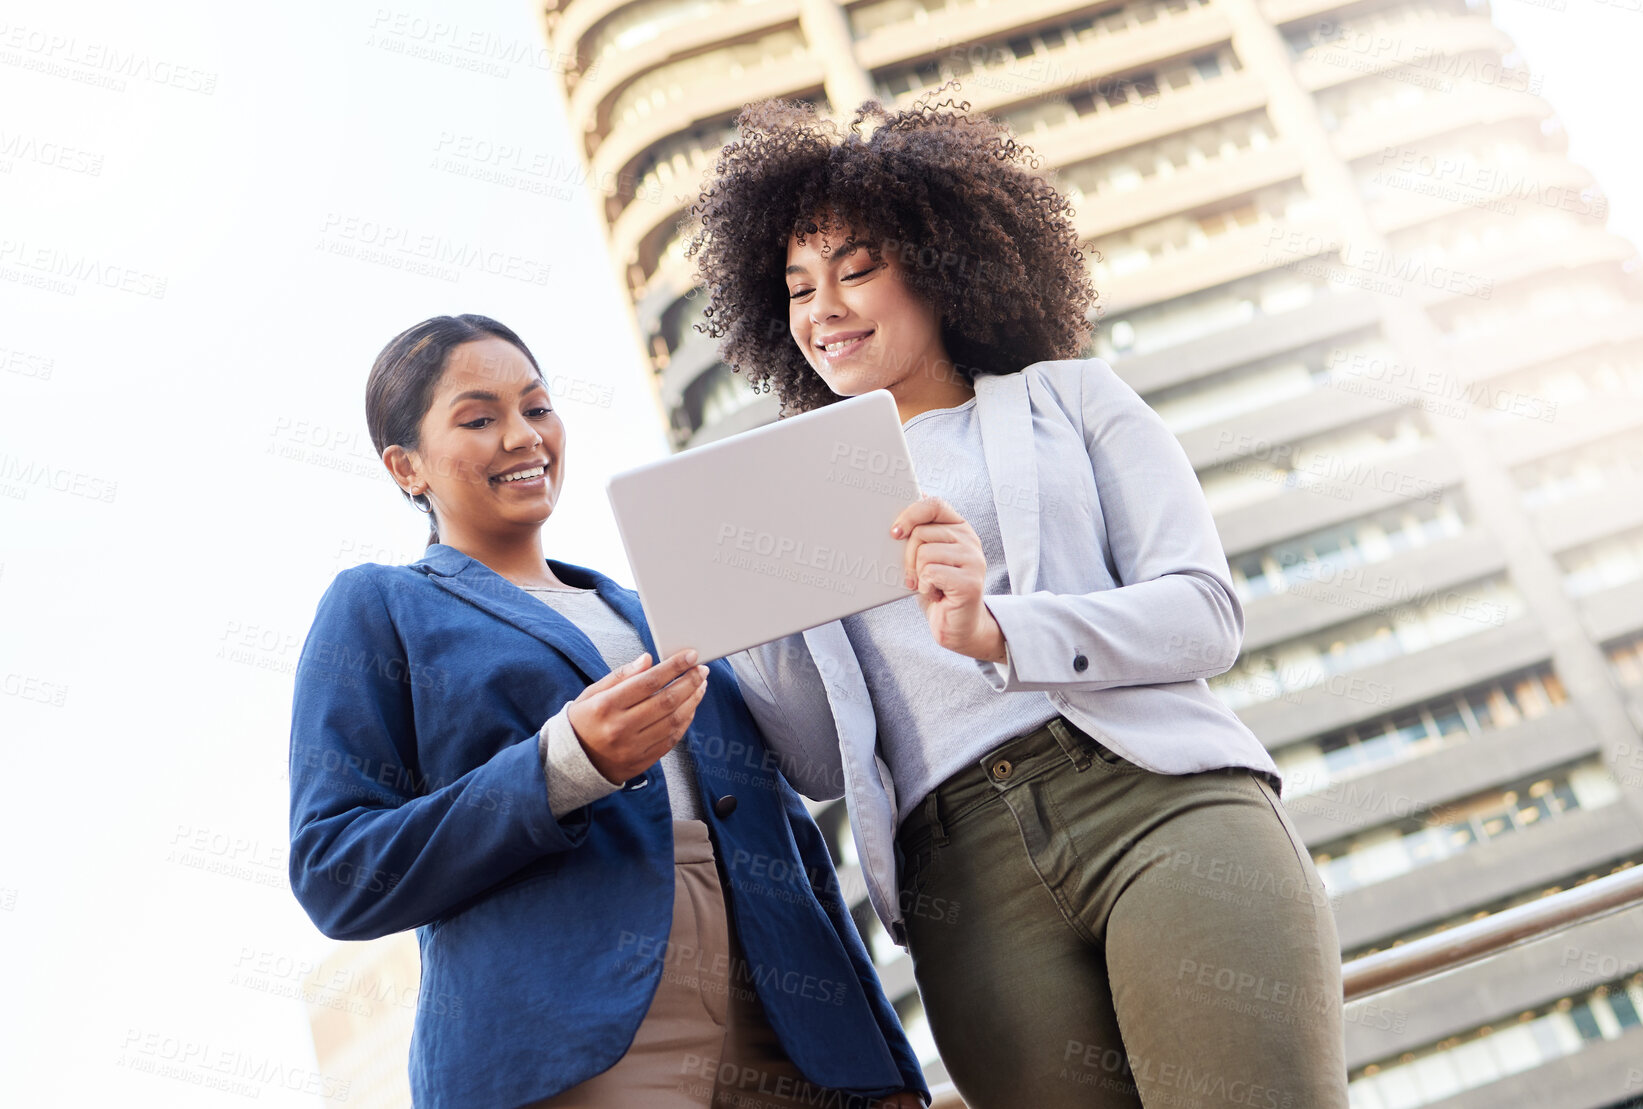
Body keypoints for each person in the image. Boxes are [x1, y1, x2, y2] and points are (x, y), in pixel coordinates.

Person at [686, 92, 1351, 1108]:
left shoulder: (1071, 400)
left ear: (940, 263)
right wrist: (752, 621)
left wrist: (1000, 627)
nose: (822, 309)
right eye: (796, 287)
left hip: (1156, 802)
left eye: (855, 268)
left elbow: (1202, 612)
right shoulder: (798, 493)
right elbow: (821, 761)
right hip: (961, 881)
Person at [286, 314, 928, 1109]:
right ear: (405, 465)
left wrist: (885, 1061)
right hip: (571, 1032)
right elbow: (334, 867)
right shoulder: (381, 605)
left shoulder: (665, 600)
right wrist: (561, 767)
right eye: (479, 418)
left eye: (538, 407)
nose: (522, 436)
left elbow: (791, 825)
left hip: (792, 1010)